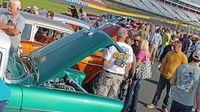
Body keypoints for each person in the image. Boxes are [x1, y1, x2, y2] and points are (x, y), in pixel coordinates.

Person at [147, 40, 188, 112]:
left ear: (179, 46)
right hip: (163, 75)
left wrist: (177, 78)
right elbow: (164, 62)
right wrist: (161, 72)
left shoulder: (183, 57)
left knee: (169, 94)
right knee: (158, 90)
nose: (173, 47)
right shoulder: (169, 53)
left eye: (174, 46)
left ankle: (165, 107)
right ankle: (154, 103)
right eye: (173, 46)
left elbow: (184, 70)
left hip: (173, 78)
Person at [95, 28, 133, 98]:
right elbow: (129, 65)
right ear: (125, 37)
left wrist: (107, 68)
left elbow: (104, 62)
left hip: (108, 73)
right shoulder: (129, 48)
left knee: (101, 97)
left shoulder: (112, 45)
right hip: (119, 76)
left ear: (117, 35)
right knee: (112, 98)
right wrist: (122, 72)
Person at [122, 39, 150, 112]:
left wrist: (130, 68)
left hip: (136, 74)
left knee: (130, 91)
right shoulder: (148, 53)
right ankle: (133, 108)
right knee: (136, 92)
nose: (139, 44)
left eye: (140, 43)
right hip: (142, 75)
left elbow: (137, 63)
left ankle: (125, 108)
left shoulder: (141, 52)